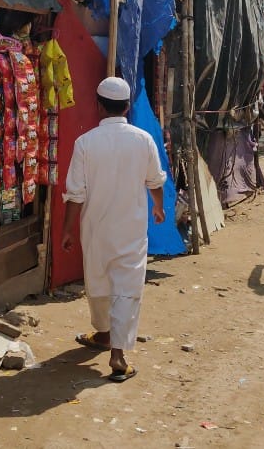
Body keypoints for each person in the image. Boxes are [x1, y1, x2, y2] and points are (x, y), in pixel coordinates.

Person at [62, 77, 167, 383]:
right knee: (127, 288)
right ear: (126, 106)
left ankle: (104, 333)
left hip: (95, 228)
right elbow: (155, 180)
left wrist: (68, 229)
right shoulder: (143, 139)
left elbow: (75, 193)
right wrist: (158, 207)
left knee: (97, 282)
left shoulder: (85, 143)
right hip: (131, 229)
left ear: (98, 105)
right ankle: (117, 352)